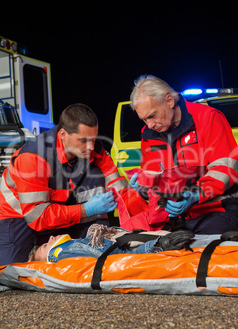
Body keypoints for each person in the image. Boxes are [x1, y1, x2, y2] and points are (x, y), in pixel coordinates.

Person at [0, 103, 147, 265]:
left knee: (95, 173)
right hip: (18, 216)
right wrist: (87, 209)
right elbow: (37, 217)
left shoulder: (93, 148)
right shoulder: (34, 158)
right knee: (12, 271)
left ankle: (98, 244)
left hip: (56, 208)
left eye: (93, 139)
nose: (91, 147)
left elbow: (116, 183)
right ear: (63, 134)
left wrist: (132, 190)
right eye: (83, 140)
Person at [127, 75, 238, 234]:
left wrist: (195, 194)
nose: (150, 125)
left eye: (152, 116)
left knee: (205, 251)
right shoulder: (149, 134)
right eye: (144, 120)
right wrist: (144, 187)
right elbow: (156, 179)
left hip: (216, 209)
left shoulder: (208, 118)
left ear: (169, 101)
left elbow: (225, 168)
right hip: (176, 214)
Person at [28, 224, 195, 262]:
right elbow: (119, 259)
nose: (50, 239)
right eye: (44, 246)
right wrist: (159, 245)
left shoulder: (77, 245)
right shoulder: (65, 253)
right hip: (151, 247)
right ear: (50, 258)